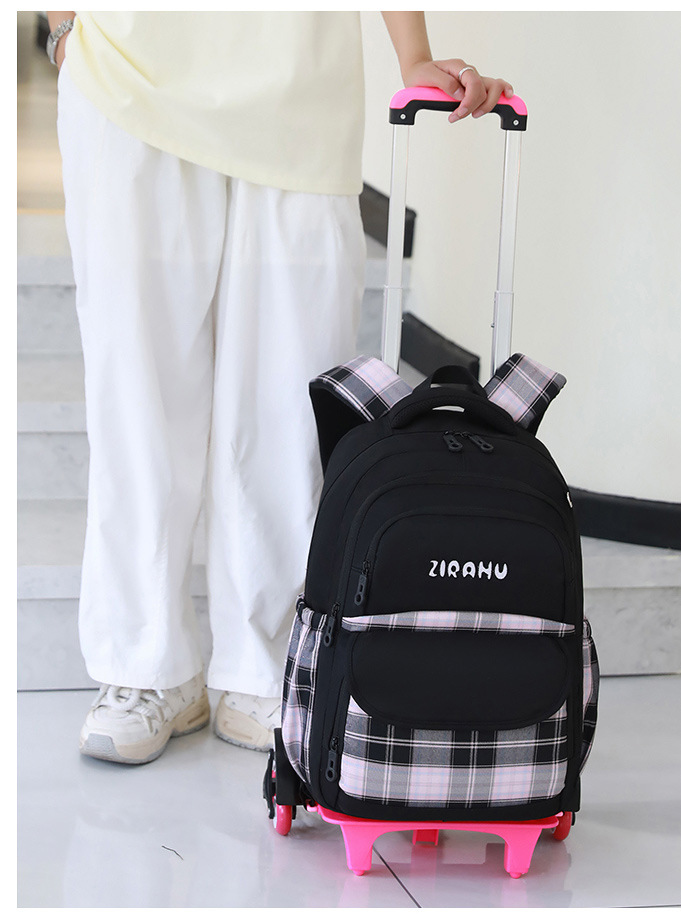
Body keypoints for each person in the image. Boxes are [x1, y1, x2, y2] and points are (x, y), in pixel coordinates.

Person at [46, 11, 513, 765]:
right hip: (127, 74)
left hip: (300, 87)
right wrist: (60, 25)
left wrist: (414, 53)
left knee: (286, 407)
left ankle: (262, 665)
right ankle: (143, 666)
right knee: (137, 392)